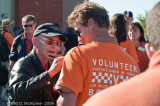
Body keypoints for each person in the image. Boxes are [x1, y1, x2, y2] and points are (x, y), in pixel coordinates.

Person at [54, 2, 140, 106]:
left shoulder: (77, 55)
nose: (78, 38)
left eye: (78, 32)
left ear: (91, 23)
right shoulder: (133, 65)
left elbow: (65, 102)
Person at [84, 2, 160, 106]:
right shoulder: (127, 42)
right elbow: (135, 64)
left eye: (135, 30)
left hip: (104, 81)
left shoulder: (98, 101)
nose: (132, 32)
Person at [8, 23, 67, 105]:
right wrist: (49, 74)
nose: (55, 46)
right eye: (50, 41)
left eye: (58, 43)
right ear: (35, 42)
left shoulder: (52, 66)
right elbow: (16, 95)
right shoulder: (23, 64)